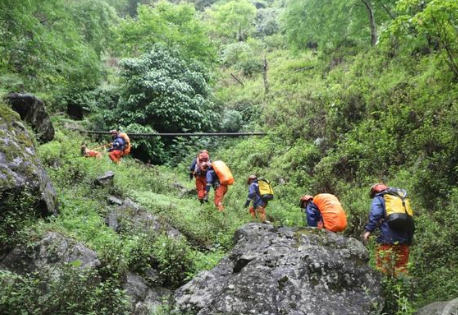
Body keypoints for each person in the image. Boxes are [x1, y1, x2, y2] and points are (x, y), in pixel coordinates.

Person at [363, 183, 413, 276]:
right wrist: (409, 240)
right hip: (404, 239)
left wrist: (368, 230)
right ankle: (401, 288)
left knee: (383, 267)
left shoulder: (379, 198)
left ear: (374, 192)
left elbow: (375, 214)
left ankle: (384, 288)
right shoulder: (401, 199)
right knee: (401, 268)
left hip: (387, 239)